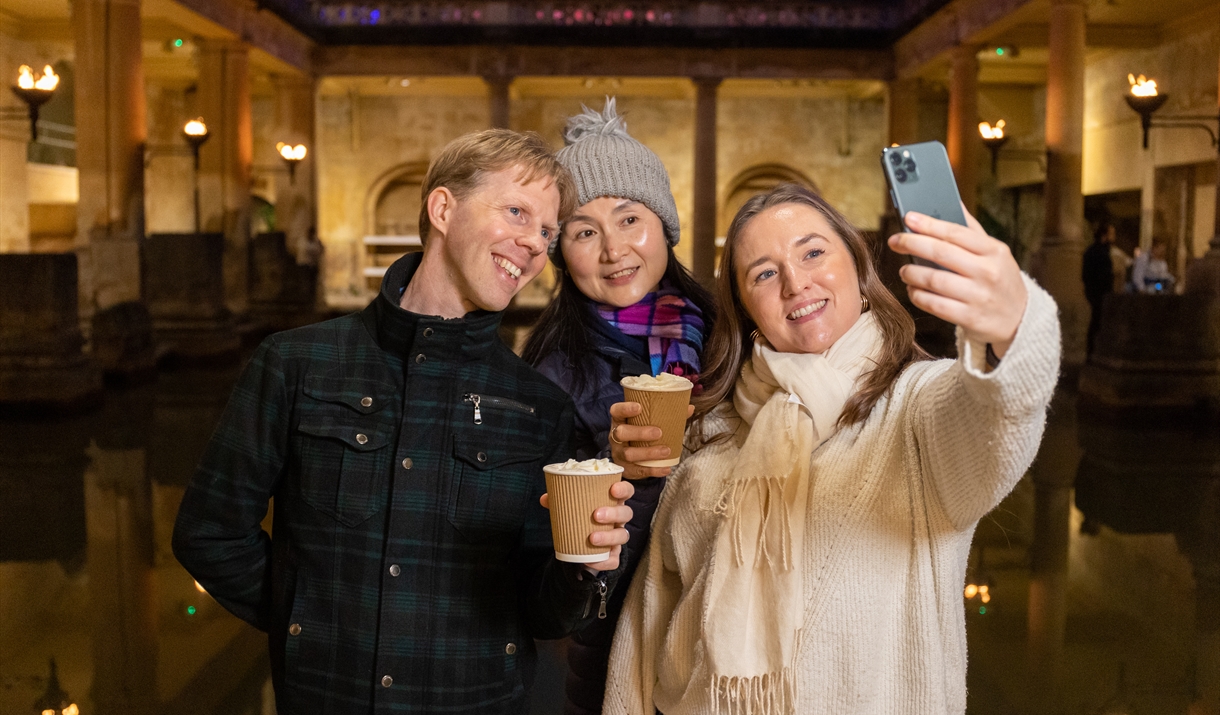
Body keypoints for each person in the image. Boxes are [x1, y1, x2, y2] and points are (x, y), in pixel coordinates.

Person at [172, 129, 637, 715]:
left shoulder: (538, 406)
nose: (533, 245)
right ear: (443, 209)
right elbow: (209, 532)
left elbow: (543, 612)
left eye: (546, 232)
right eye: (517, 212)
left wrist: (583, 565)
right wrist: (308, 623)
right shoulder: (295, 364)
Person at [604, 183, 1061, 714]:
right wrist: (633, 482)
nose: (796, 282)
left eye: (813, 252)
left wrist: (1011, 329)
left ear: (860, 274)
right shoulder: (711, 429)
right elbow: (649, 618)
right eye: (765, 273)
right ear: (749, 309)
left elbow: (997, 418)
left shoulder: (915, 407)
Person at [522, 99, 715, 715]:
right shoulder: (552, 370)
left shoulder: (731, 337)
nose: (613, 249)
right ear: (561, 252)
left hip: (736, 643)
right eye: (583, 231)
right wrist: (612, 469)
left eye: (630, 219)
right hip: (620, 645)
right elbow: (542, 568)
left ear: (664, 226)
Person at [1082, 222, 1116, 354]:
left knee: (1097, 321)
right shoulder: (1099, 253)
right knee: (1097, 322)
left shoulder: (1094, 251)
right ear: (1104, 235)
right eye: (1111, 234)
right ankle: (1093, 352)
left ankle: (1093, 352)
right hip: (1099, 292)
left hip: (1096, 292)